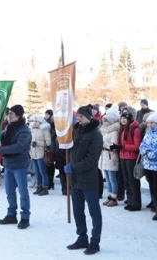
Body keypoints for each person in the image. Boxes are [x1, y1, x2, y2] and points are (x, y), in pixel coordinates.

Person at [65, 104, 103, 255]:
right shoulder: (77, 131)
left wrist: (73, 167)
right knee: (78, 210)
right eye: (78, 116)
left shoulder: (95, 134)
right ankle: (82, 237)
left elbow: (91, 160)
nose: (78, 118)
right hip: (76, 179)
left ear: (88, 117)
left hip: (88, 179)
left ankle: (95, 242)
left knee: (94, 211)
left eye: (81, 116)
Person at [0, 105, 32, 230]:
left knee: (23, 192)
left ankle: (25, 217)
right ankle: (11, 214)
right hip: (8, 164)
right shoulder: (8, 127)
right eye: (8, 113)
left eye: (11, 114)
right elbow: (2, 138)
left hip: (19, 165)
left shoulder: (24, 130)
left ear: (18, 115)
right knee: (9, 191)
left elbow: (19, 147)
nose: (8, 116)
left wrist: (1, 150)